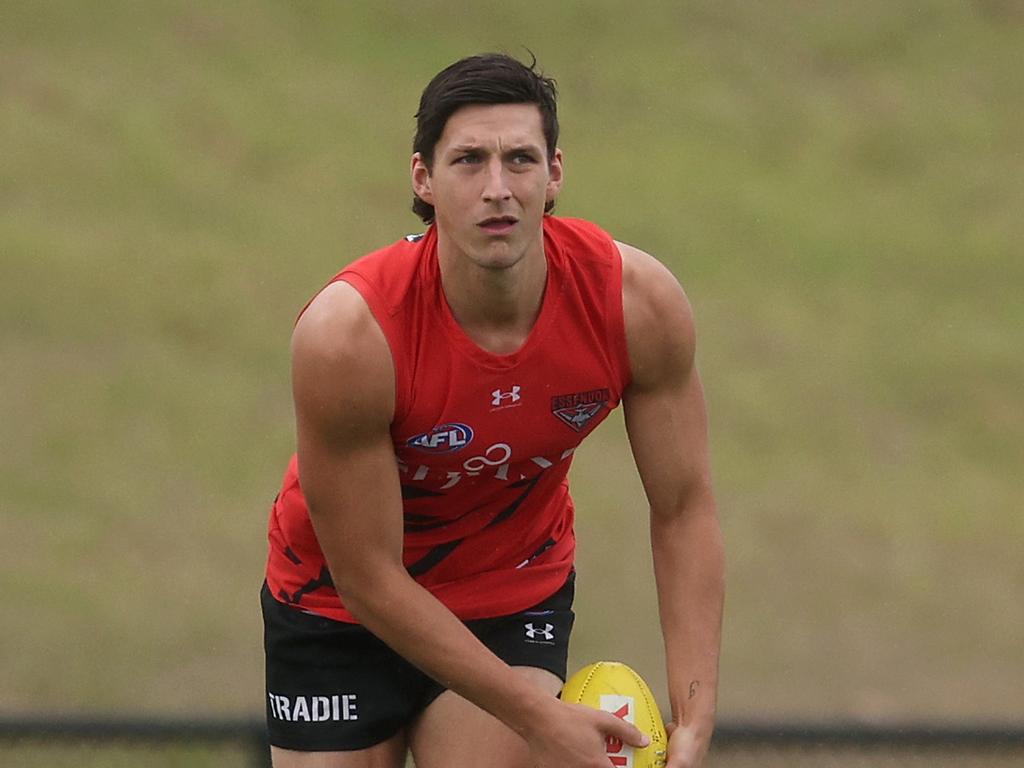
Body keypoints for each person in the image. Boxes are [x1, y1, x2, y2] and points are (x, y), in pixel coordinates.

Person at [262, 52, 724, 768]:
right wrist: (539, 716)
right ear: (423, 179)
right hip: (338, 607)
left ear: (556, 173)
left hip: (510, 592)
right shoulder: (350, 337)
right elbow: (368, 576)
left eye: (520, 159)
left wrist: (694, 713)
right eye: (470, 160)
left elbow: (685, 505)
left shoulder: (635, 305)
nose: (498, 189)